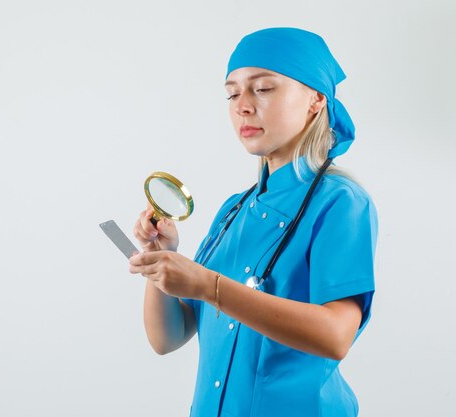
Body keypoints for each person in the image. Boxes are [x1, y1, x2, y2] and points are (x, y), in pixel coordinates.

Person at [129, 27, 378, 417]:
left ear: (315, 99)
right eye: (232, 93)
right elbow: (167, 337)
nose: (243, 106)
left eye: (263, 89)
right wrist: (160, 261)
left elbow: (335, 335)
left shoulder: (341, 203)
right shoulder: (233, 212)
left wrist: (210, 286)